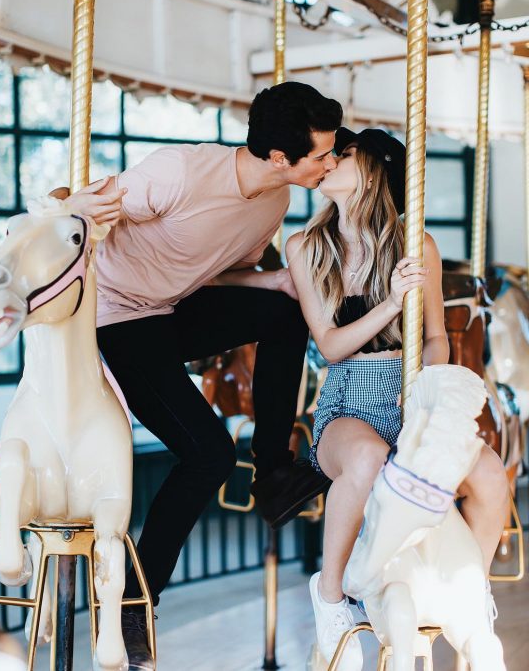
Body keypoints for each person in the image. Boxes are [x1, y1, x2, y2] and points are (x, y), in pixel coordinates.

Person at [56, 82, 342, 670]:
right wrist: (75, 204)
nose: (331, 163)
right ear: (281, 157)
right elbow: (82, 215)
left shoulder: (273, 203)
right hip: (116, 316)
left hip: (173, 310)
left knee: (284, 313)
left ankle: (274, 470)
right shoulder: (180, 172)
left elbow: (215, 276)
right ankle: (136, 600)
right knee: (207, 455)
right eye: (322, 155)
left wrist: (277, 283)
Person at [286, 127, 510, 668]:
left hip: (410, 391)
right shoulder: (305, 248)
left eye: (344, 154)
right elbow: (331, 346)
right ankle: (333, 594)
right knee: (366, 458)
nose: (331, 161)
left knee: (488, 473)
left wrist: (430, 399)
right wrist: (390, 305)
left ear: (373, 172)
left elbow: (435, 336)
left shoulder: (417, 247)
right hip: (346, 400)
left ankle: (471, 592)